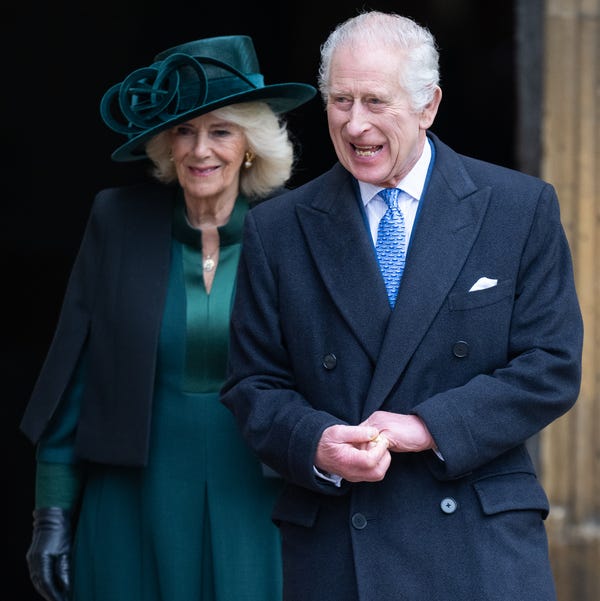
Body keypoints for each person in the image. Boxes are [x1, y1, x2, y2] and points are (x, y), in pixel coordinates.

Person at [220, 11, 583, 601]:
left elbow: (551, 365)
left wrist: (426, 426)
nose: (354, 123)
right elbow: (253, 383)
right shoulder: (277, 229)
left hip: (478, 543)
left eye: (374, 101)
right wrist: (315, 442)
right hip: (340, 542)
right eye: (339, 100)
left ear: (428, 106)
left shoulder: (518, 208)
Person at [20, 34, 316, 601]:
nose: (200, 150)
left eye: (221, 131)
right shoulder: (118, 221)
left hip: (257, 498)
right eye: (184, 130)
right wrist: (51, 513)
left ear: (250, 144)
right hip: (132, 498)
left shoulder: (297, 231)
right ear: (165, 144)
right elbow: (71, 374)